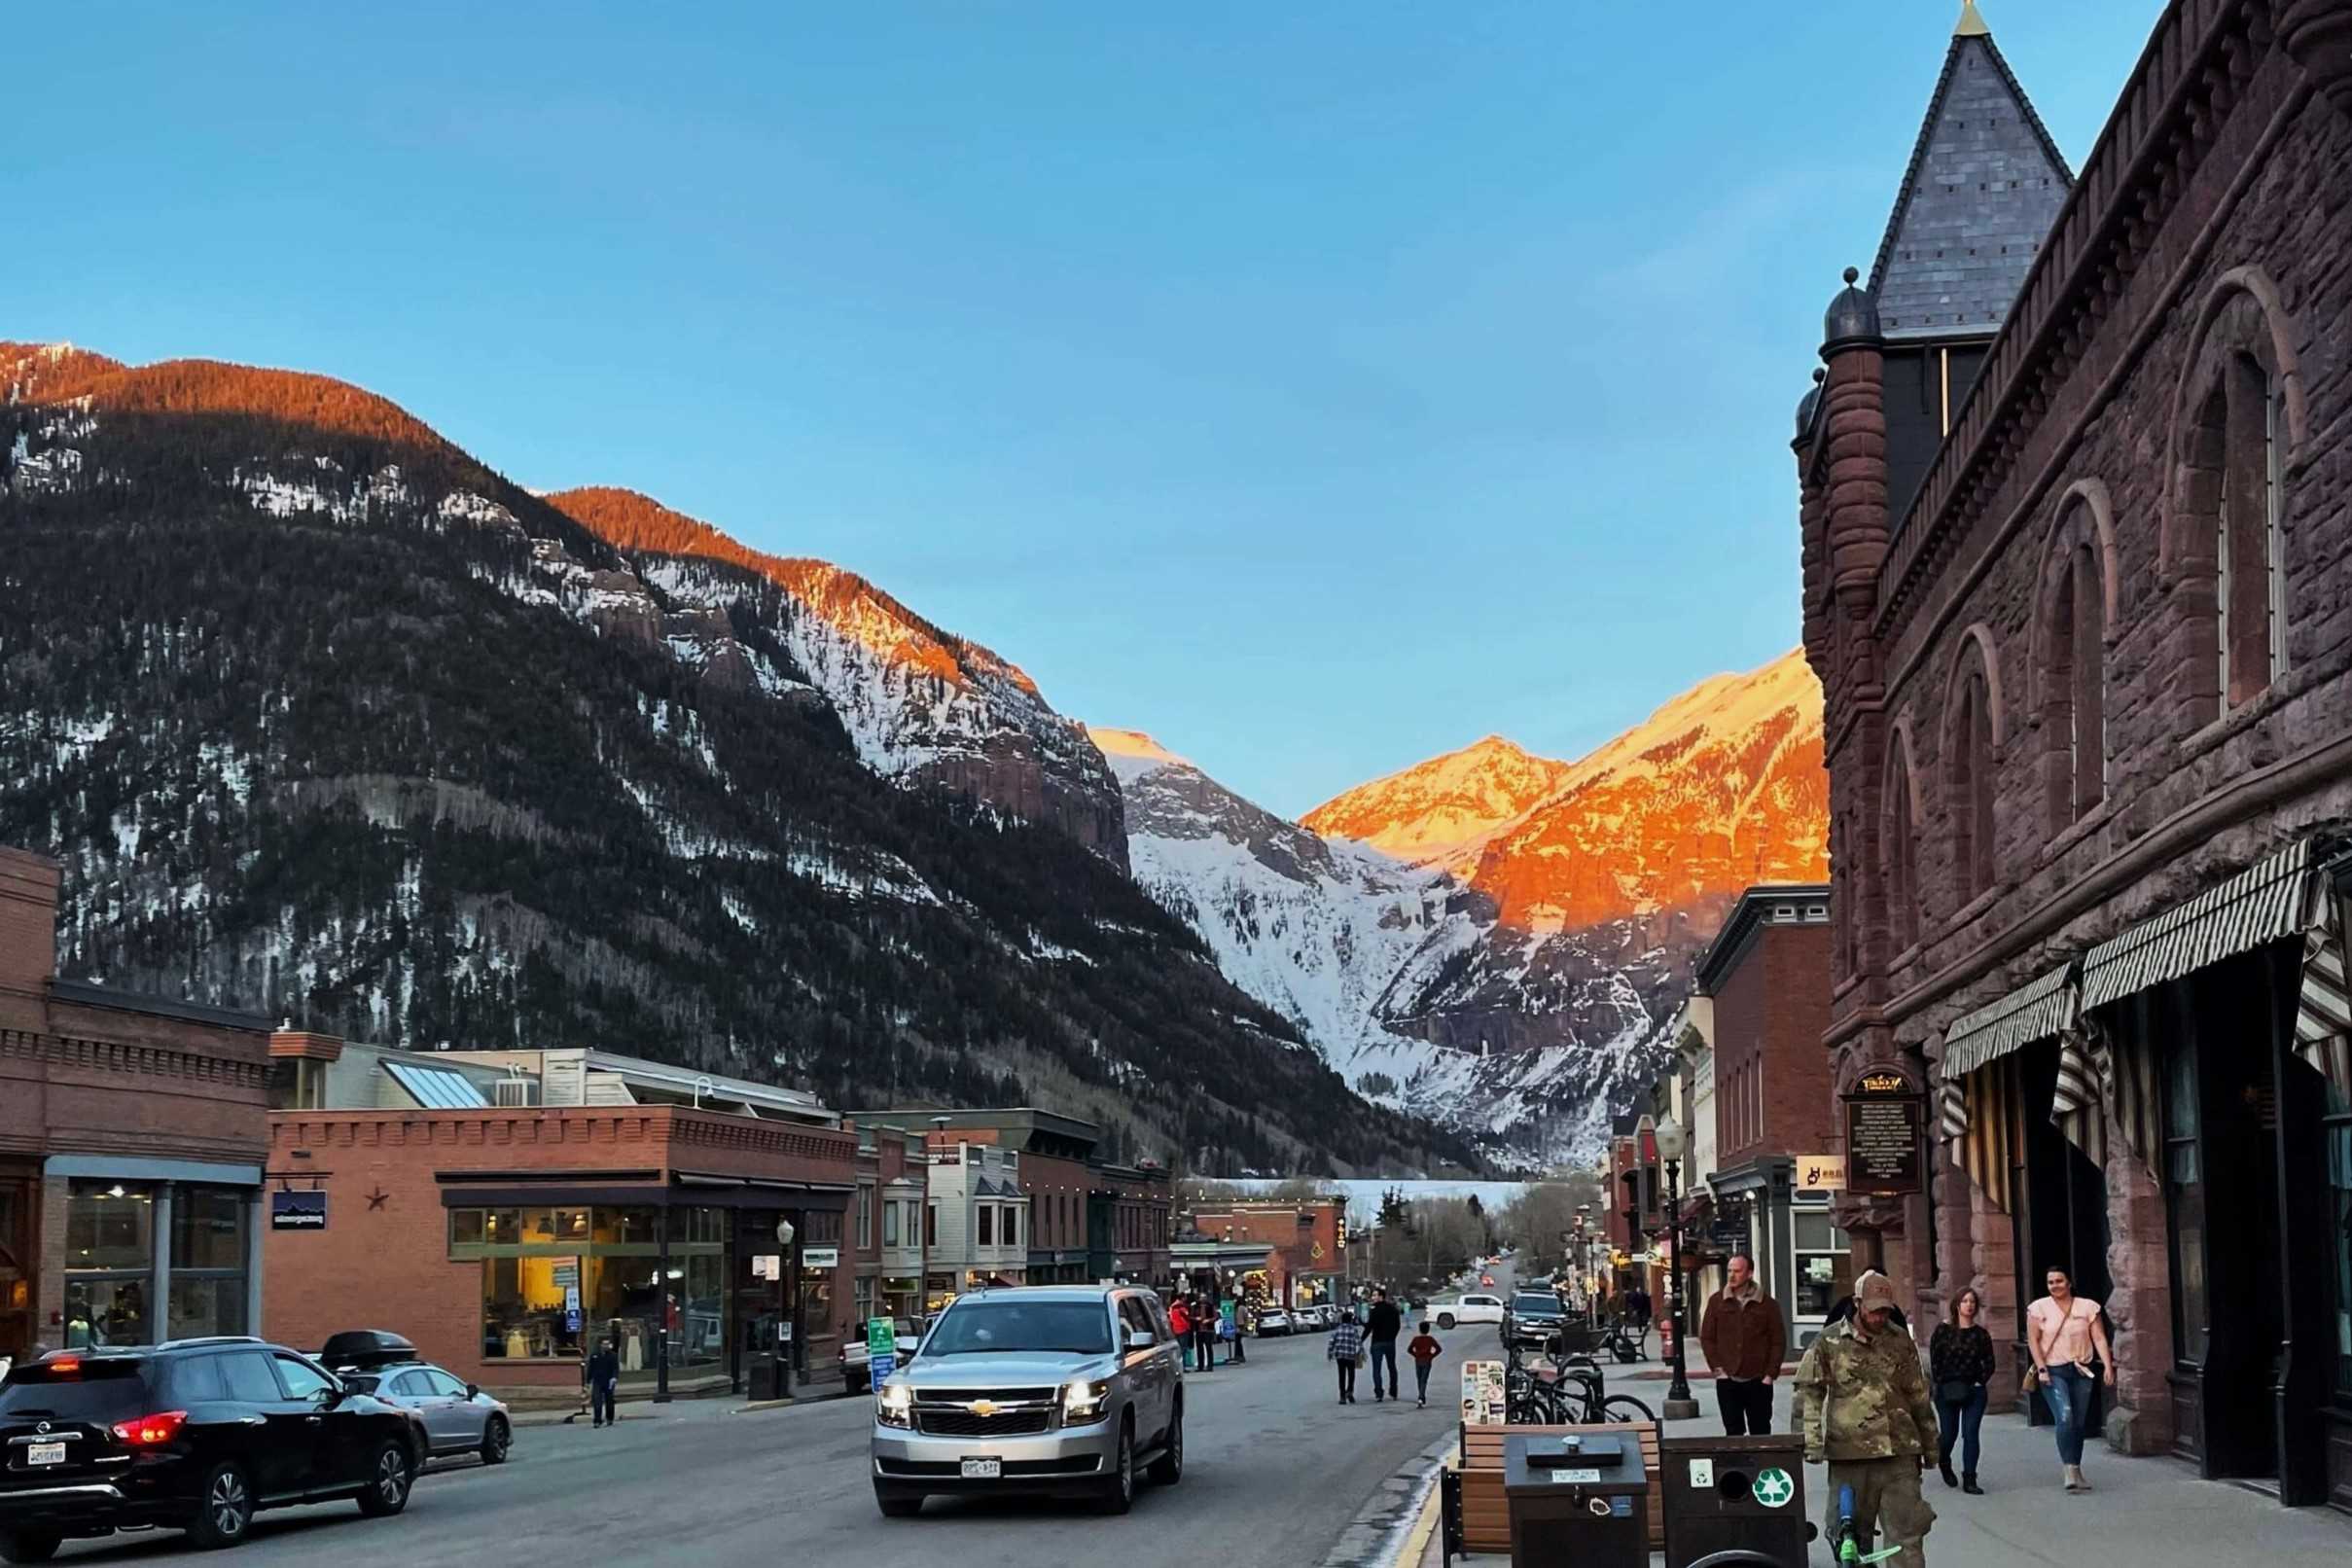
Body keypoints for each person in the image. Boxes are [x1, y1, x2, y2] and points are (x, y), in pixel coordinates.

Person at [1793, 1269, 1938, 1568]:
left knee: (1907, 1538)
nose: (1879, 1317)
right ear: (1857, 1303)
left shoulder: (1899, 1340)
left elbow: (1918, 1394)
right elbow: (1809, 1392)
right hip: (1850, 1455)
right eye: (1873, 1310)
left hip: (1899, 1452)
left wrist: (1931, 1445)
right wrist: (1810, 1441)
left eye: (1885, 1310)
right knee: (1850, 1541)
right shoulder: (1829, 1341)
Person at [2026, 1266, 2115, 1492]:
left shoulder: (2087, 1307)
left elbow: (2099, 1337)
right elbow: (2034, 1341)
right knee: (2065, 1416)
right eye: (2050, 1282)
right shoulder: (2038, 1308)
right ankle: (2068, 1470)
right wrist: (2042, 1368)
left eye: (2059, 1281)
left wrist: (2107, 1365)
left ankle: (2076, 1468)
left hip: (2081, 1369)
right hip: (2054, 1370)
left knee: (2078, 1422)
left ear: (2069, 1283)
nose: (2055, 1285)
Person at [1699, 1254, 1786, 1436]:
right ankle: (1738, 1465)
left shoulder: (1767, 1304)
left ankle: (1761, 1464)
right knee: (1733, 1433)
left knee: (1760, 1432)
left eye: (1737, 1271)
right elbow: (1707, 1337)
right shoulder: (1717, 1302)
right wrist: (1718, 1369)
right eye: (1729, 1270)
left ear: (1749, 1274)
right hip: (1728, 1379)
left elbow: (1778, 1341)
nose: (1731, 1275)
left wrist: (1770, 1374)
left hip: (1758, 1380)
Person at [1929, 1287, 1995, 1495]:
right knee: (1949, 1434)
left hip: (1974, 1390)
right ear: (1957, 1305)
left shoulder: (1980, 1334)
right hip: (1947, 1389)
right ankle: (1944, 1460)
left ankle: (1970, 1478)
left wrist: (1980, 1381)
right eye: (1965, 1301)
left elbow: (1989, 1362)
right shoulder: (1943, 1331)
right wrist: (1942, 1382)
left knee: (1971, 1433)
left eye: (1972, 1302)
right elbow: (1935, 1360)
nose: (1969, 1305)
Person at [1365, 1287, 1404, 1403]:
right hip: (1390, 1342)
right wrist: (1392, 1336)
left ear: (1381, 1296)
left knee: (1377, 1369)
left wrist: (1361, 1340)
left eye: (1374, 1295)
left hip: (1377, 1342)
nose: (1373, 1298)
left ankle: (1379, 1393)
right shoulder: (1393, 1309)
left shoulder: (1375, 1310)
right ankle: (1394, 1391)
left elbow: (1369, 1327)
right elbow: (1397, 1325)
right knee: (1392, 1367)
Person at [1328, 1303, 1366, 1405]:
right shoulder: (1354, 1330)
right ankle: (1350, 1391)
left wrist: (1330, 1353)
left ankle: (1342, 1396)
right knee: (1351, 1374)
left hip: (1340, 1356)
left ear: (1342, 1320)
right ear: (1350, 1320)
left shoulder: (1337, 1330)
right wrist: (1362, 1352)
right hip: (1351, 1356)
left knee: (1341, 1375)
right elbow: (1358, 1342)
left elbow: (1331, 1342)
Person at [587, 1334, 621, 1428]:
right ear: (600, 1345)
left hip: (609, 1381)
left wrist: (614, 1377)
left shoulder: (613, 1355)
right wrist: (588, 1381)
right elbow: (591, 1368)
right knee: (597, 1401)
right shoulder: (594, 1355)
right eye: (604, 1344)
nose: (606, 1346)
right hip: (597, 1381)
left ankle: (609, 1418)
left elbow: (615, 1368)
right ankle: (597, 1420)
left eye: (608, 1344)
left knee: (609, 1401)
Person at [1408, 1320, 1443, 1408]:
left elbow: (1409, 1349)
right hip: (1427, 1361)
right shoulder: (1430, 1339)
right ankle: (1421, 1397)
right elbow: (1438, 1349)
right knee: (1424, 1380)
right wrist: (1431, 1356)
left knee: (1419, 1379)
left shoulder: (1416, 1339)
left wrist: (1416, 1355)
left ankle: (1421, 1397)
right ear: (1428, 1330)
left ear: (1419, 1329)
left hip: (1418, 1360)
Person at [1625, 1282, 1653, 1354]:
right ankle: (1640, 1328)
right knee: (1640, 1320)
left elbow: (1646, 1302)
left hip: (1642, 1309)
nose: (1639, 1291)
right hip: (1639, 1309)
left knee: (1641, 1319)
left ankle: (1641, 1327)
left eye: (1639, 1290)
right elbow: (1634, 1302)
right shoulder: (1638, 1296)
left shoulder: (1643, 1296)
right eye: (1638, 1290)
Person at [1194, 1296, 1219, 1372]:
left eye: (1204, 1297)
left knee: (1209, 1348)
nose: (1202, 1299)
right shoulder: (1195, 1306)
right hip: (1199, 1330)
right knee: (1199, 1348)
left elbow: (1216, 1317)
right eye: (1201, 1297)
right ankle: (1200, 1366)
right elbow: (1191, 1316)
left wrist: (1209, 1320)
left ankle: (1210, 1366)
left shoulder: (1210, 1306)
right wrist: (1196, 1319)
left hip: (1208, 1330)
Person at [1169, 1295, 1194, 1371]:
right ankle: (1182, 1366)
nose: (1186, 1298)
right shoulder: (1181, 1307)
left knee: (1177, 1349)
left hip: (1175, 1329)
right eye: (1185, 1297)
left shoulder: (1172, 1307)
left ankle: (1177, 1367)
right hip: (1183, 1329)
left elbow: (1171, 1318)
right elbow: (1186, 1316)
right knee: (1183, 1349)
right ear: (1182, 1298)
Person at [1222, 1294, 1246, 1365]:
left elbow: (1245, 1316)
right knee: (1238, 1341)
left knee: (1238, 1341)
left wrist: (1244, 1324)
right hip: (1237, 1325)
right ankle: (1238, 1355)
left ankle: (1240, 1356)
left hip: (1239, 1325)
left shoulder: (1241, 1308)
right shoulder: (1235, 1308)